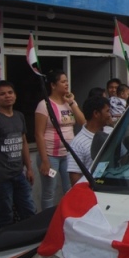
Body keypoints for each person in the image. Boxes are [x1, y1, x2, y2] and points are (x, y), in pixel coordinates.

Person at [0, 80, 36, 230]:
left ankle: (28, 243)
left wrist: (29, 169)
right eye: (2, 94)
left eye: (10, 93)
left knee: (29, 210)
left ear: (15, 95)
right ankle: (4, 248)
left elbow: (23, 142)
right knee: (6, 215)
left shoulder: (19, 116)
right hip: (0, 178)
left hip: (19, 174)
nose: (7, 96)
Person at [35, 70, 85, 210]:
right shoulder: (44, 105)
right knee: (49, 190)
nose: (66, 84)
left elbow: (83, 122)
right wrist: (45, 161)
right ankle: (46, 224)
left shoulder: (69, 102)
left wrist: (72, 103)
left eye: (67, 81)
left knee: (69, 188)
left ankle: (68, 217)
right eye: (63, 82)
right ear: (53, 85)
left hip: (69, 155)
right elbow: (38, 134)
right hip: (51, 156)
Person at [67, 96, 112, 185]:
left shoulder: (111, 132)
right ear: (96, 113)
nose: (110, 115)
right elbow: (75, 177)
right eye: (107, 111)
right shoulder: (77, 143)